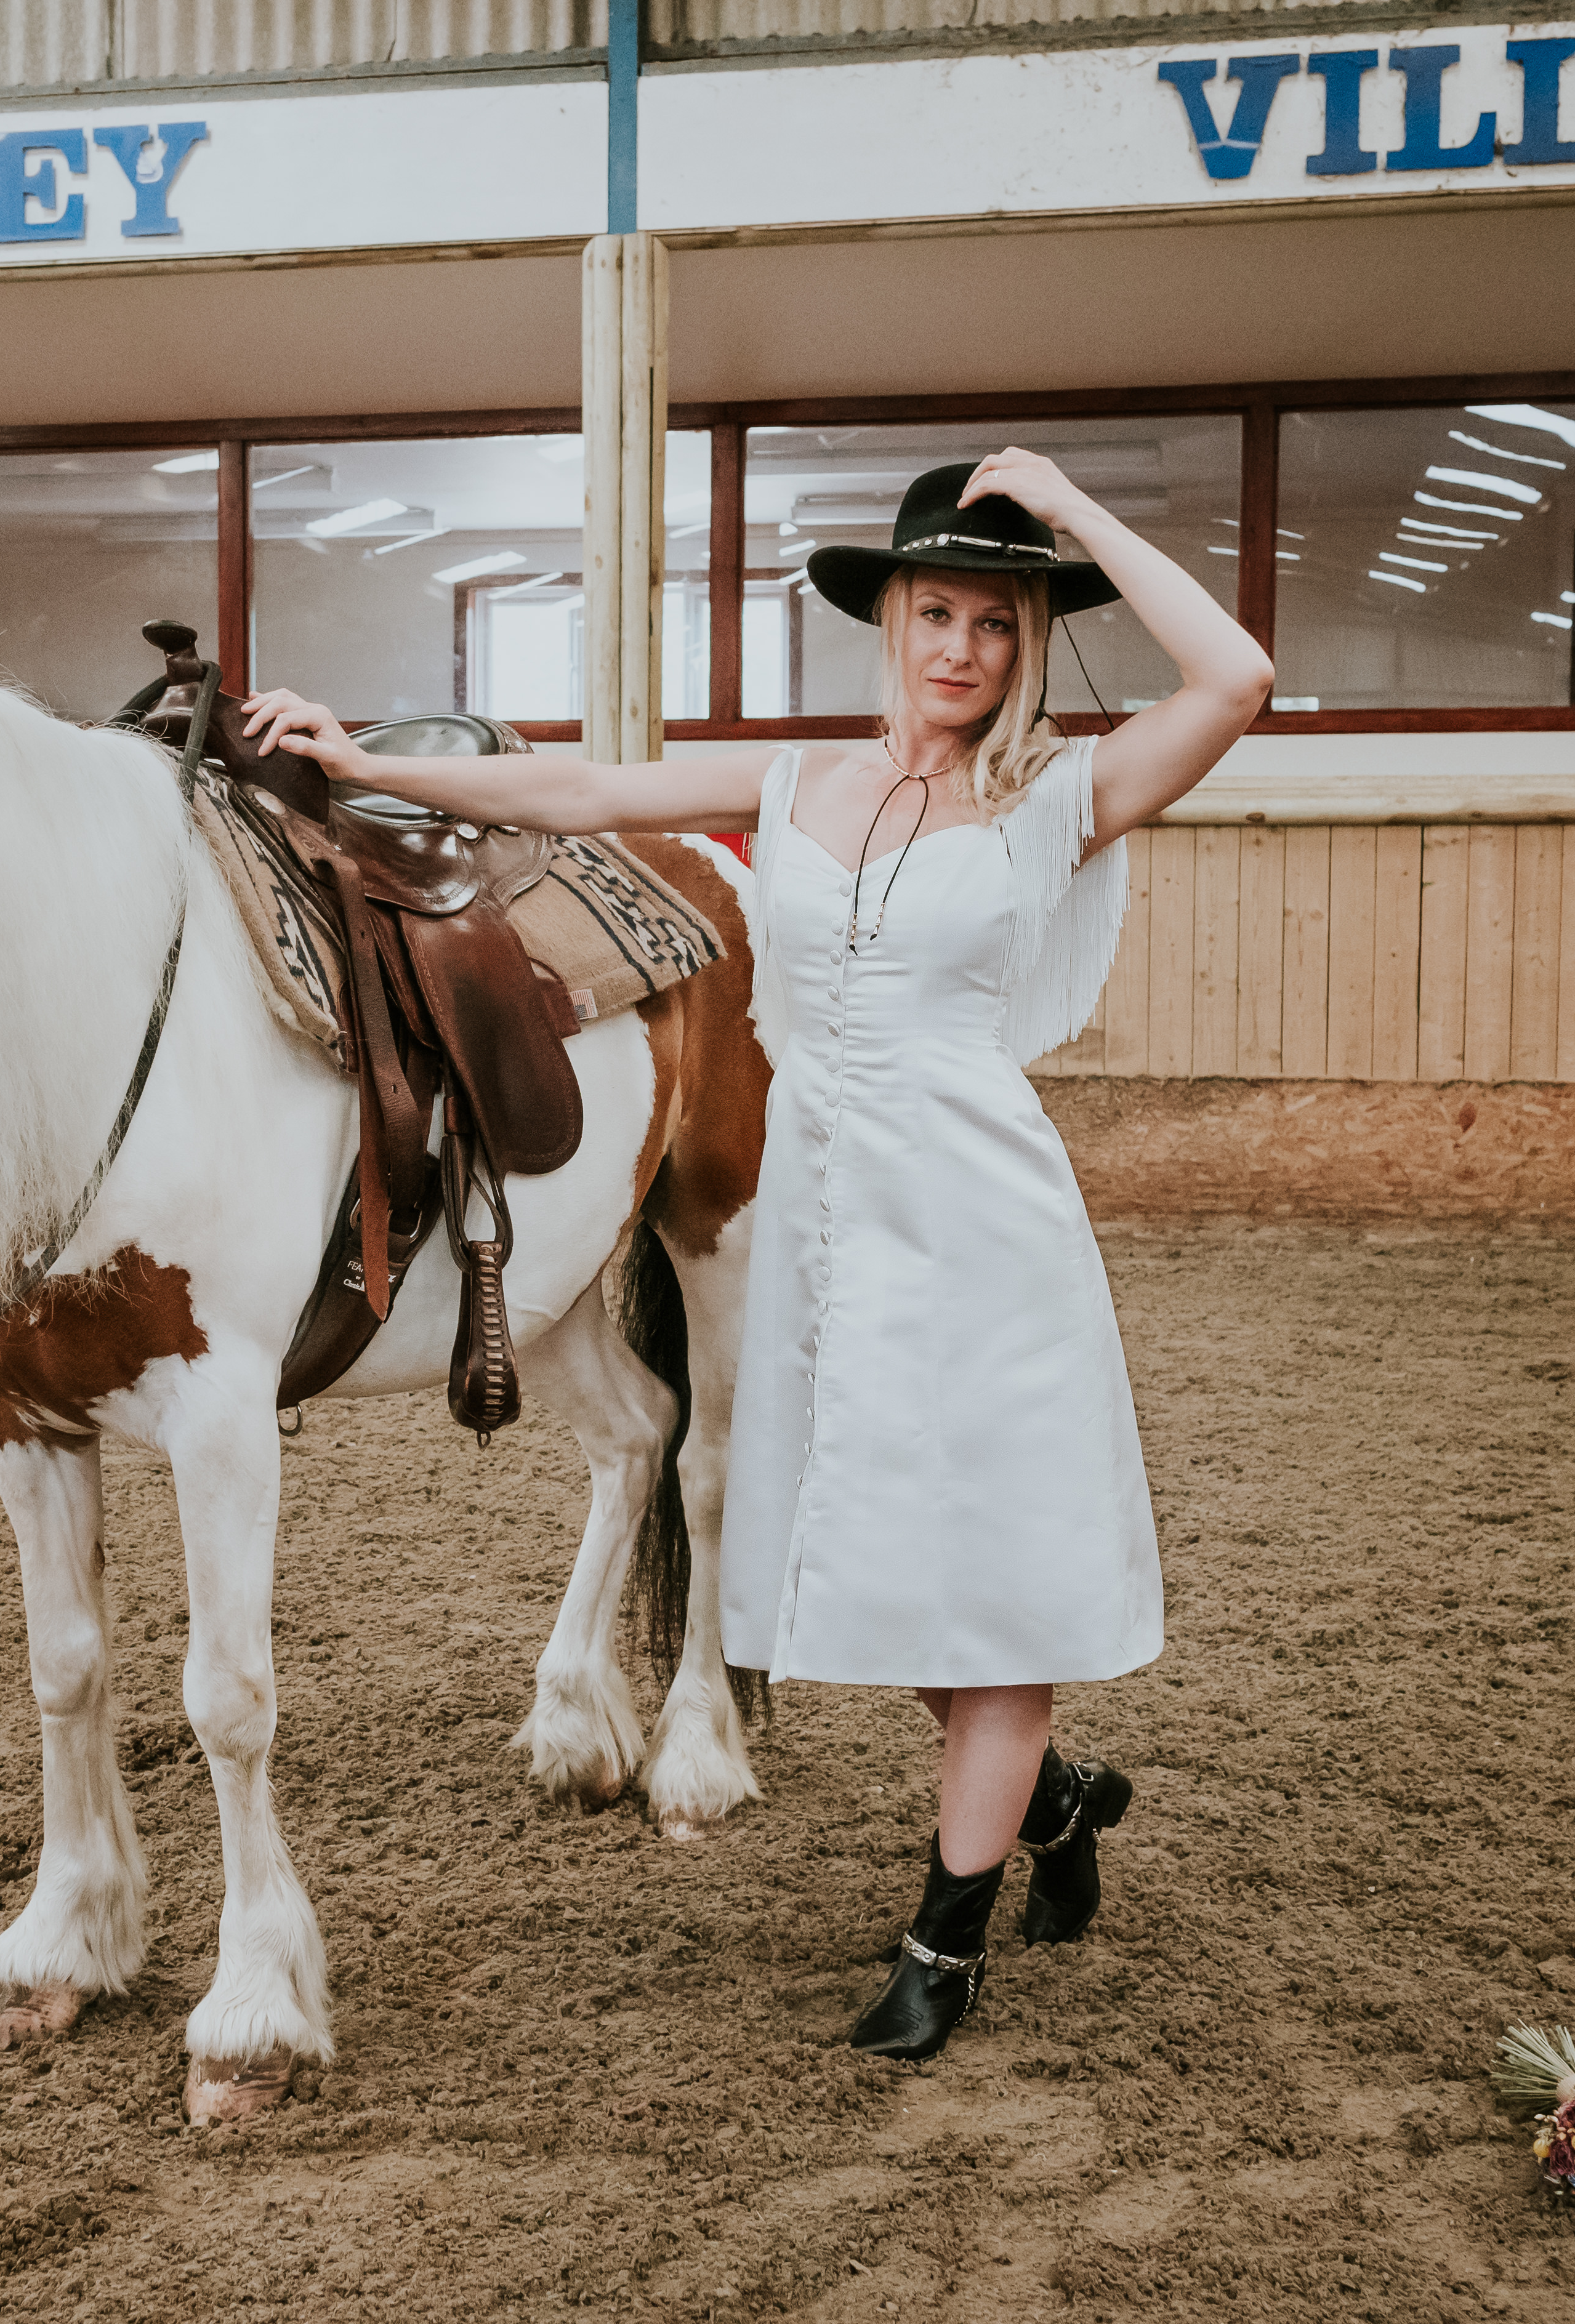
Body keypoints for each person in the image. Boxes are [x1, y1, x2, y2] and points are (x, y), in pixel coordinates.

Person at [239, 449, 1273, 2060]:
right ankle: (1049, 1798)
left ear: (1024, 642)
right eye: (936, 613)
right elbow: (575, 797)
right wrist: (367, 760)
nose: (961, 650)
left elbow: (1238, 675)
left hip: (981, 1223)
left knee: (988, 1569)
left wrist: (1067, 514)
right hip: (818, 1221)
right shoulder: (792, 785)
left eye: (998, 624)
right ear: (893, 626)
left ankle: (945, 1941)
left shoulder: (1062, 798)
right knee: (880, 1555)